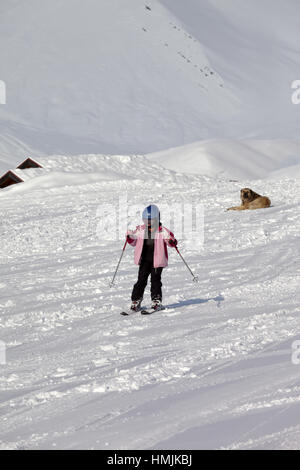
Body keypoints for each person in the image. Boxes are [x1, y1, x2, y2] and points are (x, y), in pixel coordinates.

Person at [126, 204, 177, 312]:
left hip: (157, 261)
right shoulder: (140, 229)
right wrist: (129, 237)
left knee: (155, 281)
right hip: (144, 260)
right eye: (145, 220)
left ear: (156, 219)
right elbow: (134, 240)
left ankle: (156, 300)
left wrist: (172, 241)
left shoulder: (162, 231)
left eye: (150, 220)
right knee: (141, 280)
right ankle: (136, 300)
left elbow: (170, 240)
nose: (148, 223)